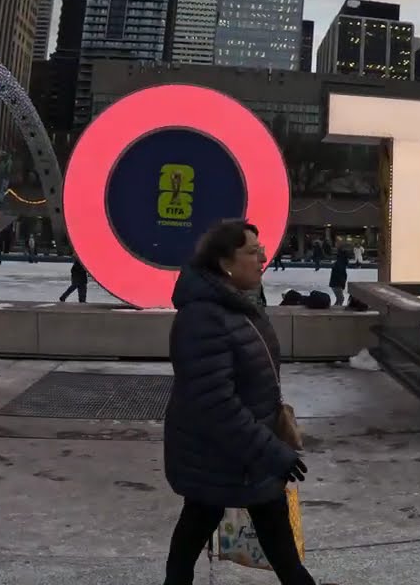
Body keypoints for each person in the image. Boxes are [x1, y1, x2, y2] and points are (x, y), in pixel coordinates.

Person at [163, 220, 323, 585]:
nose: (263, 257)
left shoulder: (239, 306)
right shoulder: (203, 318)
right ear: (224, 263)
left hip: (246, 452)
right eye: (251, 251)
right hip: (217, 454)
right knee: (197, 528)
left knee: (273, 539)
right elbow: (215, 403)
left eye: (260, 249)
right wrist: (270, 451)